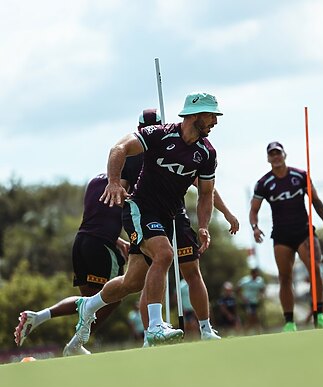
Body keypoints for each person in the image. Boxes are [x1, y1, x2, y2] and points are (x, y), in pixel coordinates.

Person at [71, 92, 224, 348]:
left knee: (132, 282)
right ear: (194, 115)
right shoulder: (160, 134)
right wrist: (113, 182)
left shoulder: (206, 153)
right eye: (211, 116)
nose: (215, 122)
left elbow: (206, 193)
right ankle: (154, 327)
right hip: (140, 209)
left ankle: (89, 305)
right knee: (164, 254)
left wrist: (204, 225)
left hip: (168, 216)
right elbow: (118, 148)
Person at [123, 109, 239, 345]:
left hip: (175, 215)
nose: (148, 129)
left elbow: (205, 188)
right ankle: (151, 332)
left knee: (190, 270)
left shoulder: (195, 149)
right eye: (145, 126)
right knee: (143, 274)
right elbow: (120, 193)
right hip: (143, 215)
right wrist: (124, 230)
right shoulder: (134, 153)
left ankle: (205, 329)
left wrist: (224, 213)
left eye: (154, 124)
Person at [14, 173, 130, 355]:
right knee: (113, 297)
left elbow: (99, 218)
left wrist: (118, 241)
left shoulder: (95, 181)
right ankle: (76, 343)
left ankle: (38, 317)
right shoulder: (126, 184)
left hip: (81, 243)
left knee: (89, 302)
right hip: (101, 248)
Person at [249, 141, 323, 332]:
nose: (276, 157)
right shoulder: (263, 183)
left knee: (315, 269)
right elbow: (254, 210)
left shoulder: (300, 175)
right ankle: (289, 322)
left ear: (284, 155)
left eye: (278, 153)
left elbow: (316, 202)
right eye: (272, 154)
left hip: (304, 231)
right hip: (281, 235)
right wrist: (255, 227)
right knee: (285, 277)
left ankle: (319, 315)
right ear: (268, 158)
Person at [237, 268, 266, 334]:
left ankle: (247, 331)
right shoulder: (245, 280)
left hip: (255, 302)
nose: (256, 275)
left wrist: (262, 295)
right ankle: (257, 331)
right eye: (255, 273)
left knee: (252, 317)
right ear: (252, 273)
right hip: (248, 302)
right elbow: (238, 288)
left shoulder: (260, 280)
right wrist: (242, 298)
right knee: (252, 316)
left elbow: (263, 289)